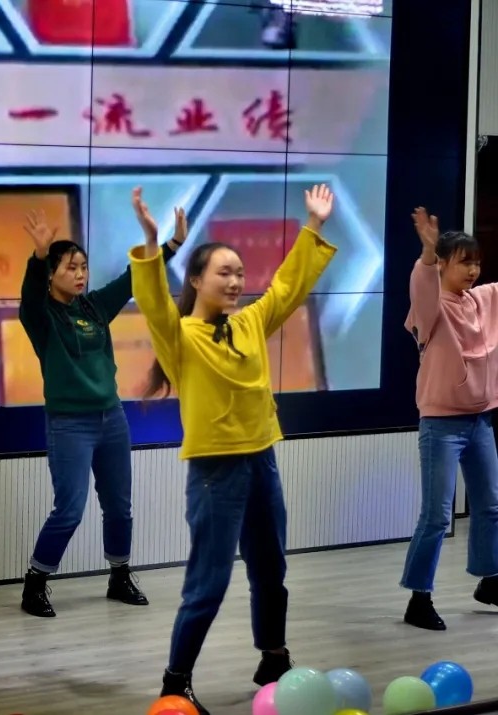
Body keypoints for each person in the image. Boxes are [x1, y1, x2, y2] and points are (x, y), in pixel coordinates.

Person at [129, 185, 337, 713]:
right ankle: (175, 681)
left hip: (262, 457)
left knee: (271, 569)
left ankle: (274, 657)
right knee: (209, 582)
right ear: (196, 281)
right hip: (215, 470)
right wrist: (153, 244)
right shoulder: (181, 336)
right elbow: (152, 301)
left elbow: (288, 286)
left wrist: (314, 224)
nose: (236, 282)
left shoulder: (249, 322)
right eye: (224, 273)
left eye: (240, 273)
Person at [16, 209, 184, 618]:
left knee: (119, 506)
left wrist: (173, 244)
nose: (80, 274)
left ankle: (119, 575)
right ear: (52, 274)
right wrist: (38, 257)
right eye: (70, 267)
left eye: (84, 267)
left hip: (111, 418)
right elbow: (30, 295)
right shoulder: (41, 317)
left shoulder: (93, 307)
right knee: (69, 509)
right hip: (69, 424)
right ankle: (35, 583)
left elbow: (133, 278)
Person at [400, 207, 498, 630]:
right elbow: (422, 285)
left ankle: (490, 580)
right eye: (463, 262)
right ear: (443, 265)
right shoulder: (432, 308)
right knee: (437, 516)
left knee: (491, 506)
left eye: (476, 262)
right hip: (441, 426)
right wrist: (427, 253)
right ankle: (418, 598)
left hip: (481, 422)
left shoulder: (483, 301)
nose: (472, 270)